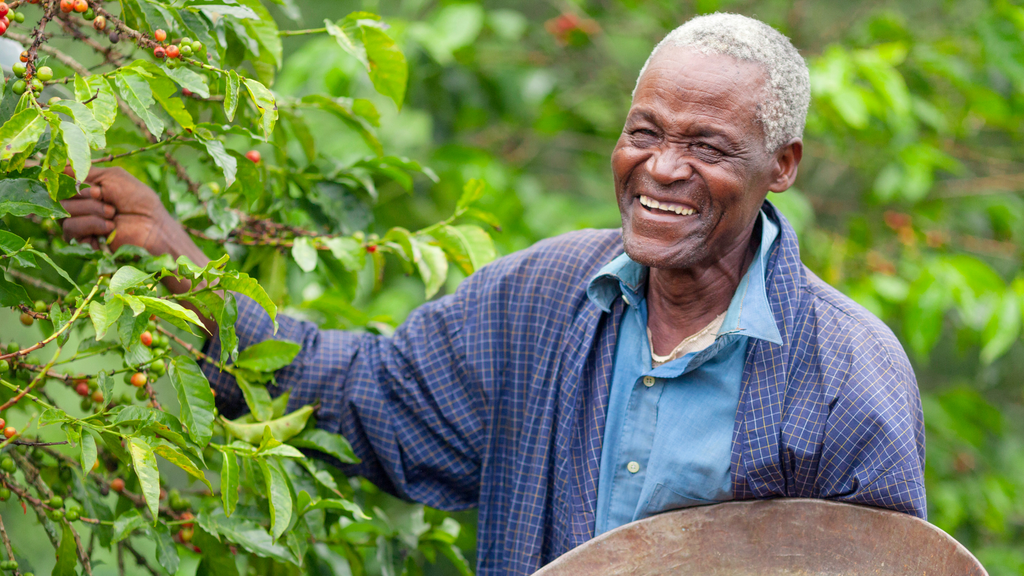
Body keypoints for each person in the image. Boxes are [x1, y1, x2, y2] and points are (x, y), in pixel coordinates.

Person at [60, 13, 925, 576]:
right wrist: (186, 271)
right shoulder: (544, 300)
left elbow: (893, 564)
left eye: (707, 146)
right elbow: (368, 397)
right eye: (645, 133)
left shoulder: (846, 373)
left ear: (782, 166)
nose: (663, 169)